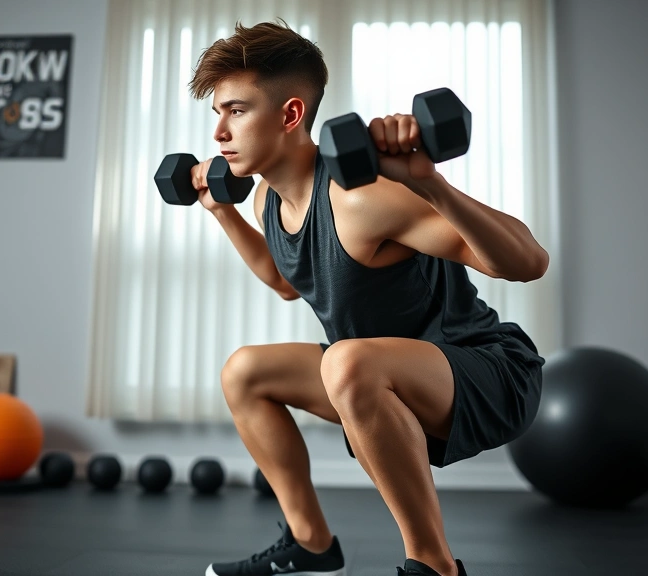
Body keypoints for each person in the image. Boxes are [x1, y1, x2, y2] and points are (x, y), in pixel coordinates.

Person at [183, 19, 548, 576]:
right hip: (375, 377)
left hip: (488, 372)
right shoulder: (266, 204)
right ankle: (309, 543)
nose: (219, 134)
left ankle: (433, 565)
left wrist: (429, 183)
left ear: (290, 115)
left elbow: (528, 262)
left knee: (346, 359)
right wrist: (224, 213)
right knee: (246, 371)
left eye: (236, 110)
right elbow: (286, 281)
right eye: (218, 114)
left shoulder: (362, 199)